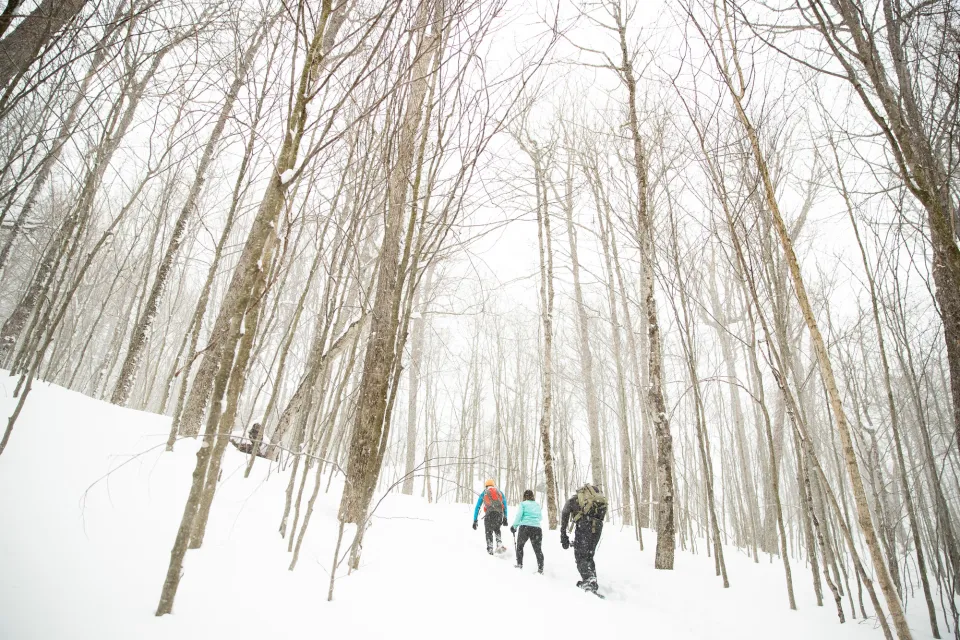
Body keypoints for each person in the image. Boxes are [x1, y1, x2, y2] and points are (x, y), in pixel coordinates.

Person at [560, 484, 607, 594]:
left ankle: (589, 581)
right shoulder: (592, 502)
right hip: (598, 526)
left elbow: (564, 513)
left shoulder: (573, 500)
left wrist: (563, 536)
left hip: (585, 525)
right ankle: (592, 581)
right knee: (589, 556)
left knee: (580, 556)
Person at [510, 489, 544, 573]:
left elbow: (519, 515)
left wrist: (514, 526)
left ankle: (519, 564)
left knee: (520, 546)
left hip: (525, 527)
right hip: (537, 528)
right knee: (538, 550)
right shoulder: (536, 505)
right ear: (532, 496)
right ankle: (540, 569)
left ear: (525, 496)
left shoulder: (523, 504)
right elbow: (540, 518)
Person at [472, 479, 508, 555]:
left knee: (489, 532)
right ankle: (499, 543)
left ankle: (490, 549)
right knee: (497, 529)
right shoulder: (500, 492)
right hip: (499, 515)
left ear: (486, 486)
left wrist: (475, 520)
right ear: (493, 485)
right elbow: (505, 506)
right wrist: (505, 517)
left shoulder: (484, 493)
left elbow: (477, 507)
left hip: (489, 515)